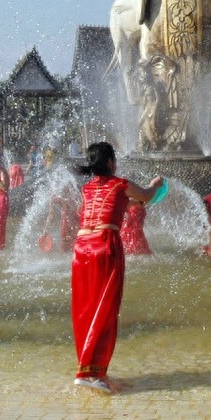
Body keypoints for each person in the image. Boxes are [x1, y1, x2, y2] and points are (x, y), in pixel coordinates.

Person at [70, 142, 162, 393]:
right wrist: (156, 183)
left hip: (81, 247)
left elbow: (90, 210)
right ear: (110, 162)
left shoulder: (87, 188)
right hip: (104, 245)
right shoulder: (120, 184)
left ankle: (89, 367)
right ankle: (90, 371)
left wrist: (127, 206)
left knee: (85, 307)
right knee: (105, 309)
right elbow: (147, 195)